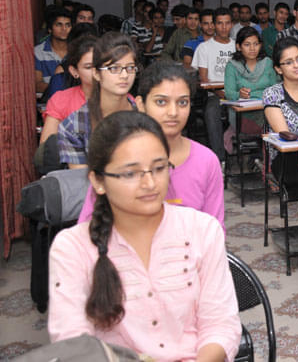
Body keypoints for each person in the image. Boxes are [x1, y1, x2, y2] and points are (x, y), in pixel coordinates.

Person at [48, 111, 240, 361]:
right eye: (130, 173)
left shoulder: (202, 230)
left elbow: (220, 325)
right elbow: (74, 345)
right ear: (98, 181)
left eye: (159, 168)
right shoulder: (73, 248)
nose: (150, 183)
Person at [77, 63, 225, 230]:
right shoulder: (117, 157)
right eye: (161, 102)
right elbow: (88, 230)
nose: (173, 112)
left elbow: (215, 230)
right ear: (140, 104)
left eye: (182, 102)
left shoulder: (206, 161)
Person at [58, 32, 139, 169]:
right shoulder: (74, 125)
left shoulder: (145, 115)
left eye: (130, 68)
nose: (124, 75)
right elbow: (83, 184)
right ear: (96, 73)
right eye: (114, 68)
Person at [263, 37, 298, 172]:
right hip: (288, 158)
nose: (296, 65)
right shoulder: (272, 94)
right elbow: (286, 136)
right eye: (289, 62)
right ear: (278, 69)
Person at [191, 7, 235, 163]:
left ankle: (253, 156)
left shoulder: (238, 46)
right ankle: (219, 159)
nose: (224, 27)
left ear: (232, 24)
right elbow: (203, 78)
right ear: (214, 25)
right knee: (211, 112)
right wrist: (220, 92)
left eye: (227, 23)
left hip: (237, 94)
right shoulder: (204, 48)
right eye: (220, 23)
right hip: (214, 94)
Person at [224, 27, 277, 143]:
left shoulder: (268, 63)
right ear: (238, 47)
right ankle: (265, 157)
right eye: (247, 45)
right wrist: (239, 94)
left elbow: (276, 89)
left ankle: (267, 158)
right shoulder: (232, 66)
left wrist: (257, 95)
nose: (252, 48)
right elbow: (229, 93)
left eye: (256, 44)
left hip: (267, 110)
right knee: (272, 125)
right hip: (243, 115)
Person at [41, 35, 97, 144]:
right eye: (89, 67)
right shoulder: (61, 100)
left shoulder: (123, 99)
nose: (96, 71)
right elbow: (47, 148)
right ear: (74, 71)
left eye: (100, 65)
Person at [35, 7, 73, 92]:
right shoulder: (38, 52)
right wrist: (64, 89)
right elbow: (37, 85)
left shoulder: (77, 51)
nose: (64, 29)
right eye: (59, 24)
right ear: (49, 29)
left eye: (68, 25)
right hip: (47, 102)